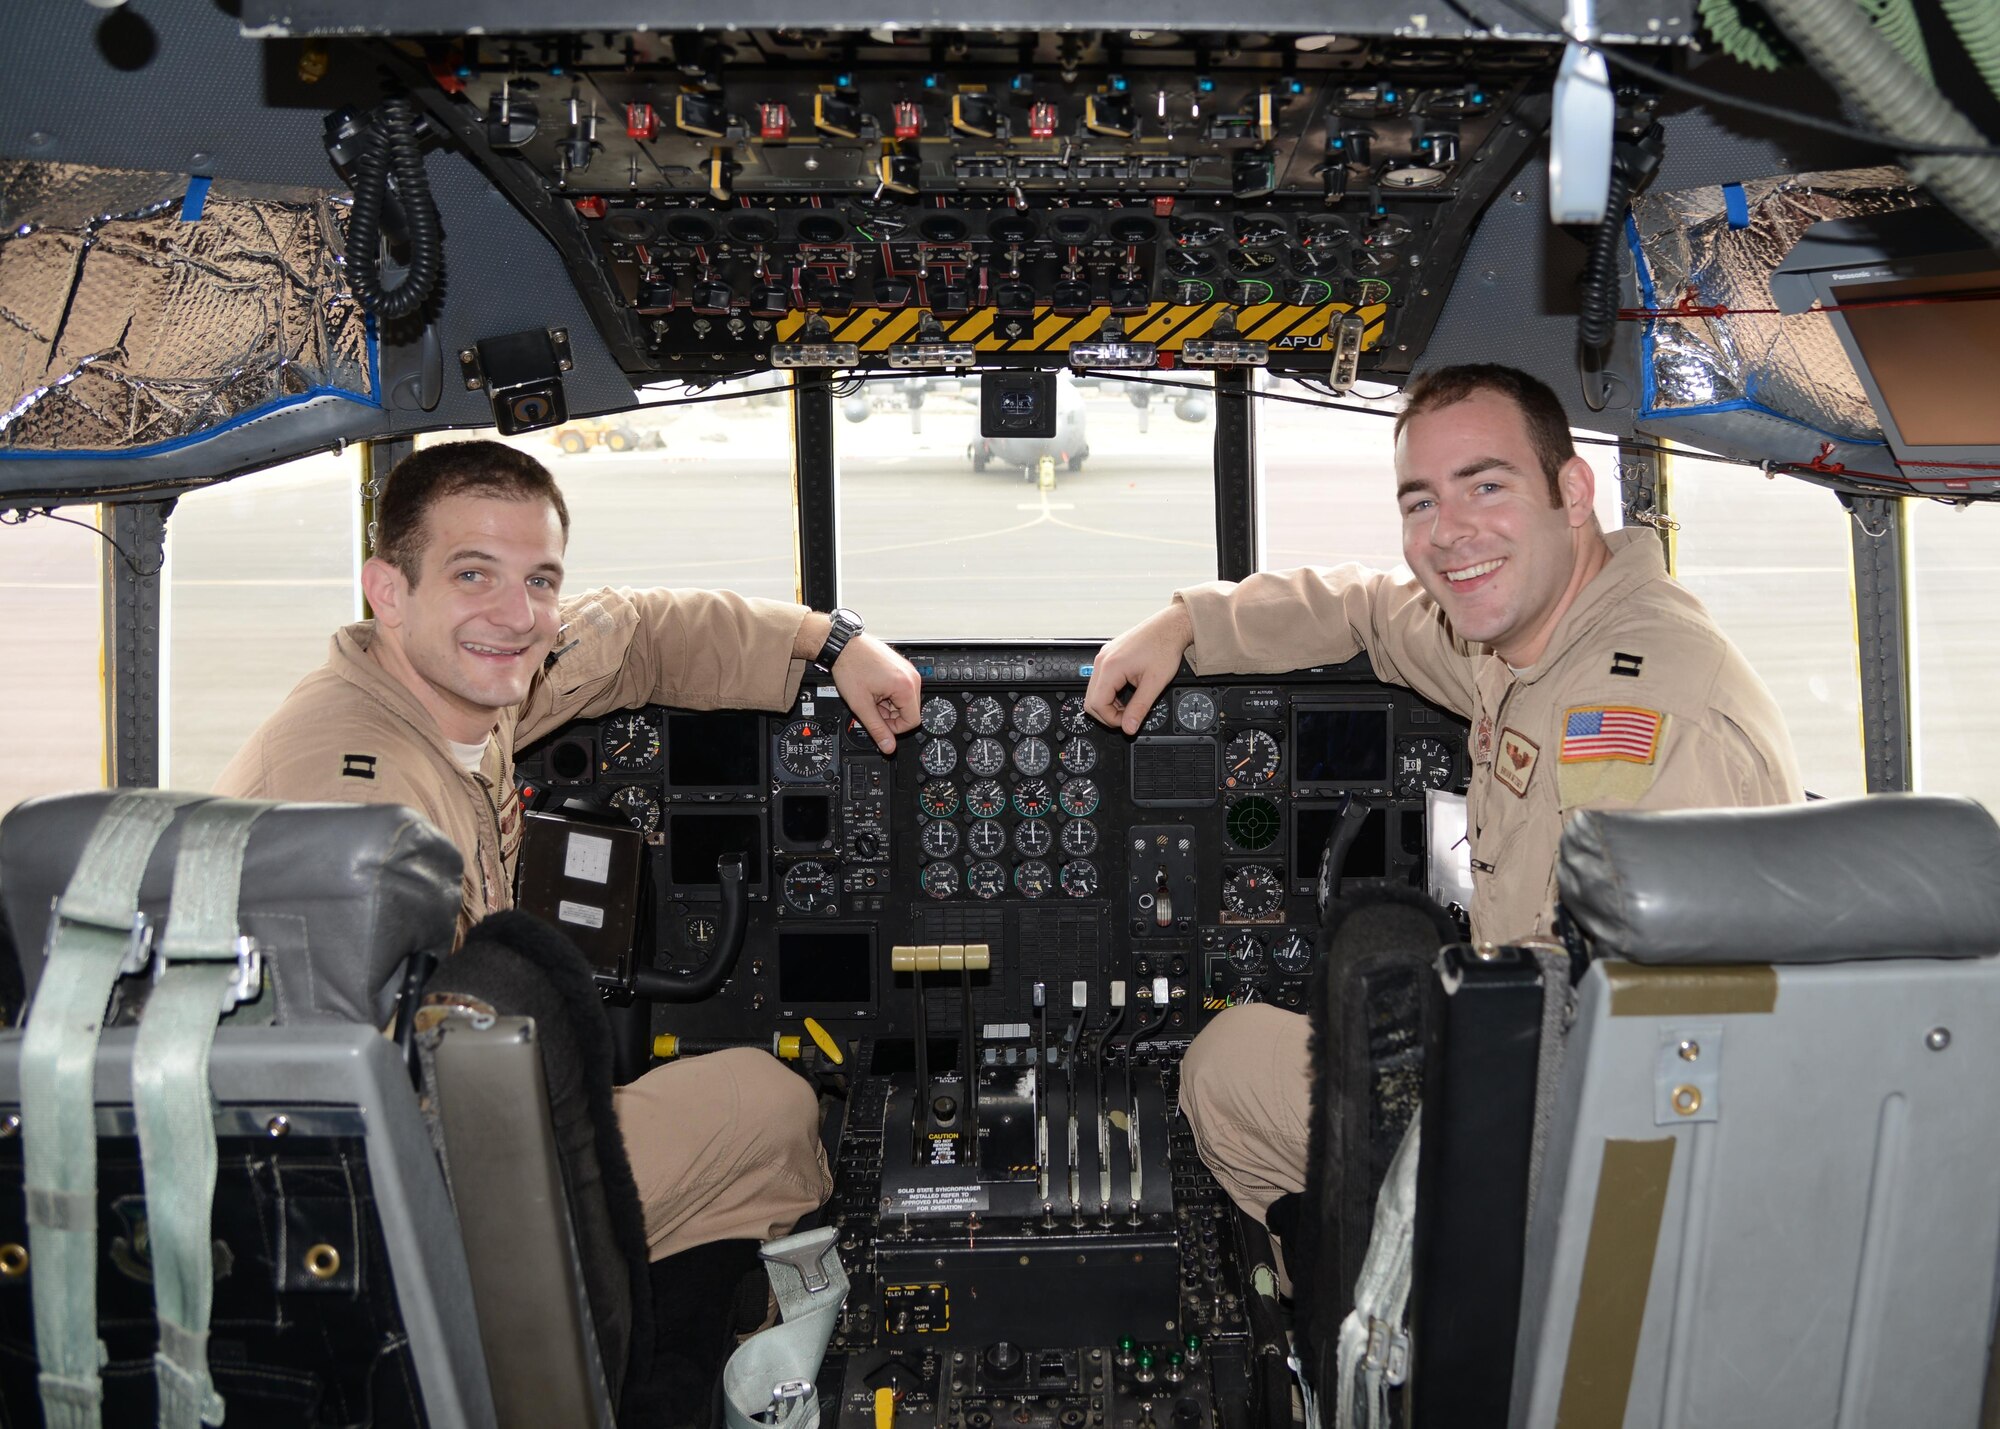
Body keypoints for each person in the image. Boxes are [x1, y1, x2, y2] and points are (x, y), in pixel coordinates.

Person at [1083, 362, 1802, 1240]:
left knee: (1224, 1063)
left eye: (1485, 486)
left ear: (1572, 490)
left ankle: (1365, 1306)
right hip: (1532, 1070)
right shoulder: (1523, 634)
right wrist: (1191, 623)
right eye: (1420, 502)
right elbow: (1370, 609)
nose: (1449, 533)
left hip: (1591, 1153)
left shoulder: (1639, 719)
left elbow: (1638, 1046)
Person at [217, 438, 923, 1264]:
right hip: (402, 1207)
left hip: (467, 1116)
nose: (517, 616)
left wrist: (831, 641)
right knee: (771, 1108)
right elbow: (355, 1125)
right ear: (388, 591)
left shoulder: (467, 691)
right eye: (472, 574)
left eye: (539, 580)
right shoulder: (354, 813)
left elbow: (634, 635)